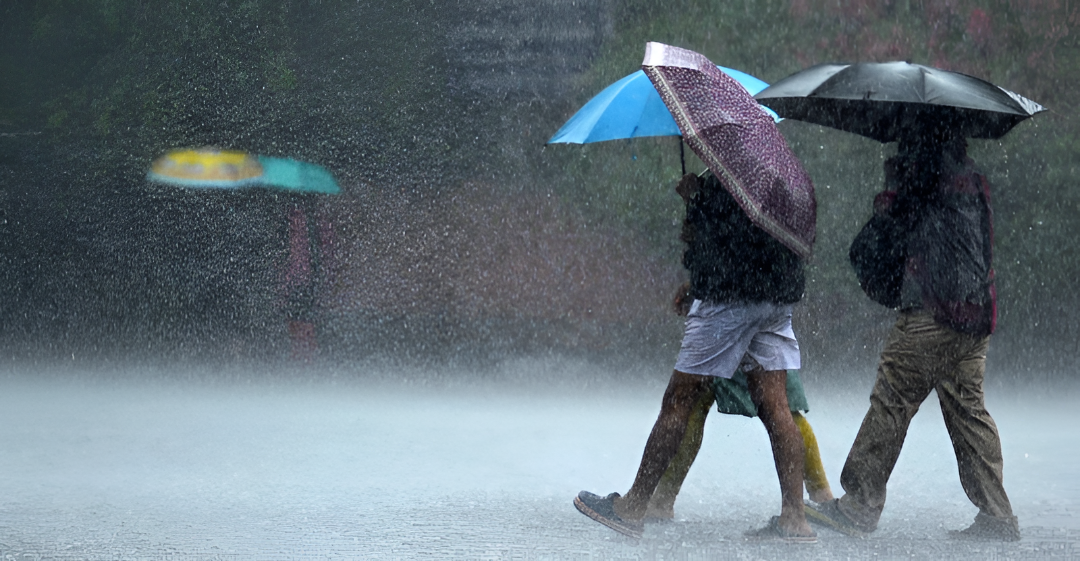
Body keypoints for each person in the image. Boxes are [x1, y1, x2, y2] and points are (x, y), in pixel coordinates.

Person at [574, 171, 816, 542]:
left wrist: (696, 202)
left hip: (729, 299)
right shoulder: (780, 176)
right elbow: (768, 240)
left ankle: (634, 505)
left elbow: (716, 241)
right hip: (777, 296)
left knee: (680, 398)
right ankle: (795, 518)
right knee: (776, 406)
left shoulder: (727, 179)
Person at [804, 131, 1020, 541]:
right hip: (977, 314)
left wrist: (891, 197)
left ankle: (858, 505)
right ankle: (997, 515)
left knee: (892, 399)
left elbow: (889, 234)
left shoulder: (923, 177)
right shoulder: (972, 178)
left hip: (933, 312)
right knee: (969, 411)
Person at [641, 283, 834, 522]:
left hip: (733, 305)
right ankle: (818, 497)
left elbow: (729, 249)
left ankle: (661, 501)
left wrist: (701, 281)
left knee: (696, 402)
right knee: (781, 409)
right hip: (768, 298)